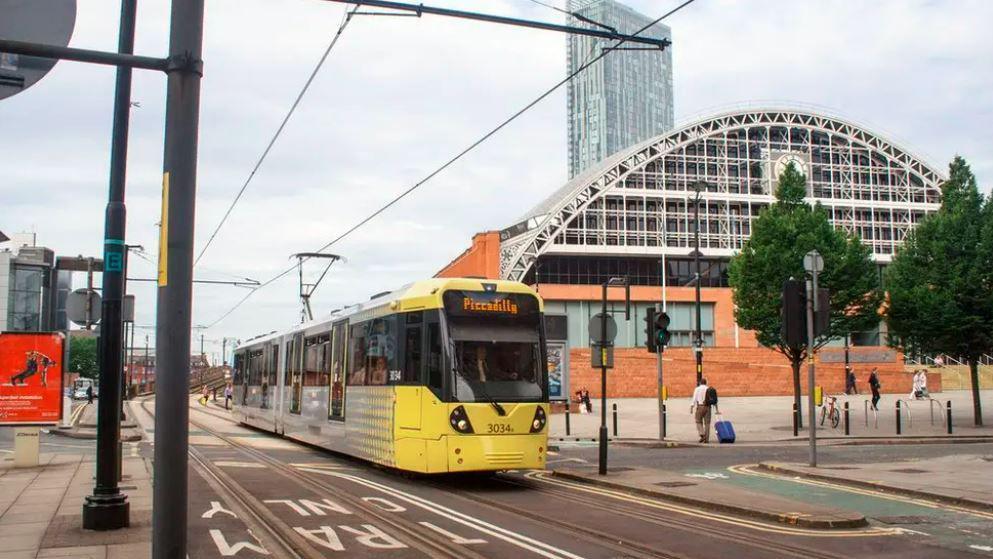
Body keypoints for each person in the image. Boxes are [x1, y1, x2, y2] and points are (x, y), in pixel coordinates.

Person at [691, 378, 717, 443]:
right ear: (706, 383)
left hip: (700, 406)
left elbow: (694, 398)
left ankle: (702, 434)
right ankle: (707, 439)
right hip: (708, 407)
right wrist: (717, 409)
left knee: (698, 421)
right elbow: (714, 399)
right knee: (707, 424)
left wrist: (692, 407)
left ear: (700, 383)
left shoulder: (697, 389)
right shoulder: (709, 389)